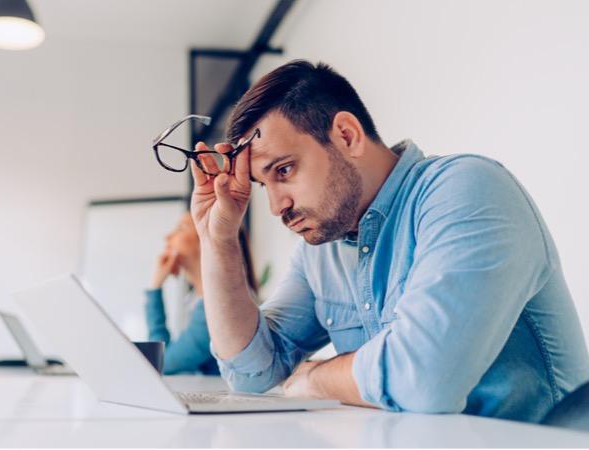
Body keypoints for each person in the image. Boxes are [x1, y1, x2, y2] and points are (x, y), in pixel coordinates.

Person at [187, 60, 589, 422]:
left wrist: (316, 377)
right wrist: (217, 240)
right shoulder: (322, 251)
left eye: (285, 170)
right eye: (263, 184)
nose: (276, 206)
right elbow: (252, 373)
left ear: (346, 135)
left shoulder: (467, 188)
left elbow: (425, 380)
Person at [144, 212, 258, 375]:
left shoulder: (222, 305)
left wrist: (155, 288)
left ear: (207, 241)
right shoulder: (195, 301)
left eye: (180, 228)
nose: (168, 237)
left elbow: (161, 363)